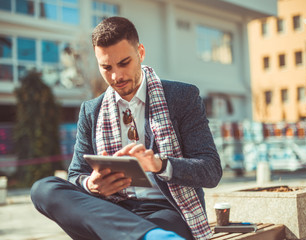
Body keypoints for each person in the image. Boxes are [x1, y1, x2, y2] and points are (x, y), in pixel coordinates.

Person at [31, 16, 222, 240]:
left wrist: (159, 164)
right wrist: (91, 185)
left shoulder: (182, 97)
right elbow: (75, 175)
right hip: (109, 210)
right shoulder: (91, 110)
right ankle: (146, 236)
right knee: (43, 189)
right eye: (106, 67)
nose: (116, 76)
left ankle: (148, 235)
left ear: (140, 53)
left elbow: (211, 171)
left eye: (124, 63)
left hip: (166, 211)